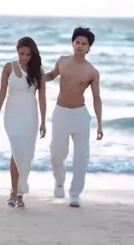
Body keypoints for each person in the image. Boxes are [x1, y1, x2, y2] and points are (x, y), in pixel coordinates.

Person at [45, 27, 103, 207]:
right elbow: (50, 76)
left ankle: (75, 193)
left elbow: (96, 97)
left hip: (80, 115)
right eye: (77, 42)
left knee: (82, 156)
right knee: (57, 153)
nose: (80, 45)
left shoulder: (92, 71)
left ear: (88, 48)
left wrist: (100, 124)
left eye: (84, 43)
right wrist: (36, 74)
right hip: (61, 112)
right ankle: (59, 181)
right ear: (73, 43)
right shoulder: (62, 61)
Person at [0, 36, 46, 208]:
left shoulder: (38, 71)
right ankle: (13, 191)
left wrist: (43, 121)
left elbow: (43, 98)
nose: (24, 57)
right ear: (17, 51)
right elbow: (2, 92)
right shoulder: (8, 67)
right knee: (16, 150)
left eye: (28, 54)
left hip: (30, 114)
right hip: (12, 113)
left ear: (33, 54)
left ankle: (19, 194)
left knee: (25, 154)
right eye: (22, 53)